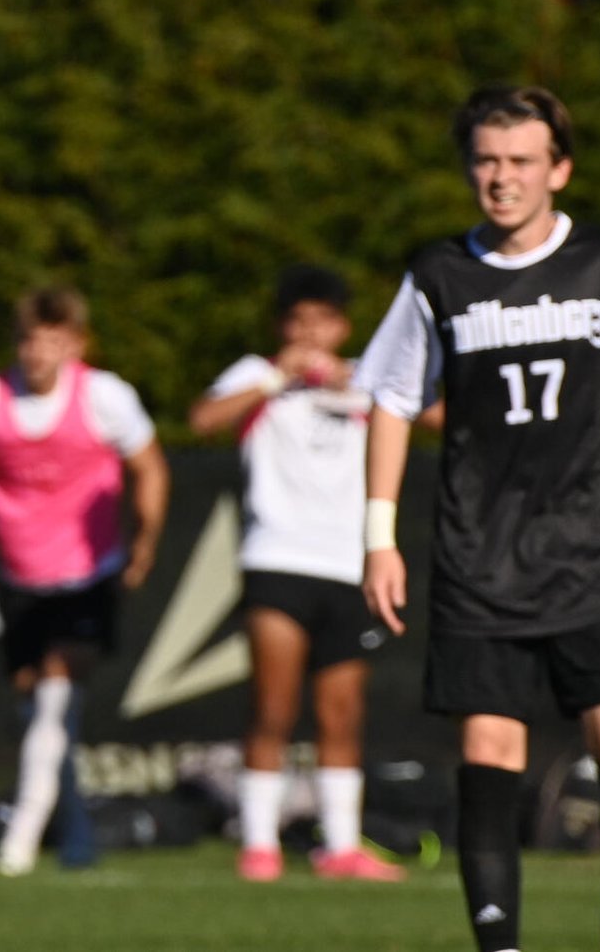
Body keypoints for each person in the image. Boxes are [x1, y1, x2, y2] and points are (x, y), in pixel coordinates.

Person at [356, 85, 600, 952]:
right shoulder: (437, 276)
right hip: (479, 559)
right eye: (486, 160)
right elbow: (389, 402)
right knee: (489, 763)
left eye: (522, 161)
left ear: (558, 169)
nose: (502, 178)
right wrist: (379, 537)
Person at [190, 265, 412, 883]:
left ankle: (340, 846)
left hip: (348, 567)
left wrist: (362, 382)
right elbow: (204, 419)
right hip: (278, 560)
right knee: (274, 708)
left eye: (323, 320)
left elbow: (437, 414)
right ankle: (259, 843)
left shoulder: (366, 379)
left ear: (343, 326)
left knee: (342, 714)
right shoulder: (257, 375)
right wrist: (277, 377)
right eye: (299, 320)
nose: (312, 332)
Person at [0, 286, 170, 876]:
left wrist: (142, 543)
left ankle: (20, 841)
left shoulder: (106, 396)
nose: (38, 353)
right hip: (20, 579)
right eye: (29, 340)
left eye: (52, 341)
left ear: (75, 345)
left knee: (54, 702)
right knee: (37, 708)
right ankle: (77, 836)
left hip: (87, 576)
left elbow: (150, 469)